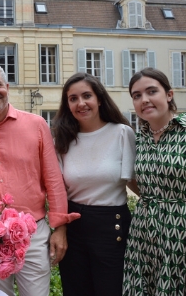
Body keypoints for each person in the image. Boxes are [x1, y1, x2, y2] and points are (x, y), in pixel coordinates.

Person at [0, 62, 80, 296]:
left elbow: (53, 179)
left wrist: (60, 228)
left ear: (7, 86)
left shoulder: (36, 125)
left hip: (33, 235)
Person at [123, 68, 186, 295]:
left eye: (152, 91)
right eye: (137, 95)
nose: (145, 100)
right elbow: (135, 181)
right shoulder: (138, 138)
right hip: (144, 236)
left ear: (169, 95)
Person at [51, 73, 136, 296]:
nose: (81, 103)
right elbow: (57, 189)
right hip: (74, 225)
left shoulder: (122, 133)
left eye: (87, 96)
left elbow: (137, 183)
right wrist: (58, 228)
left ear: (99, 98)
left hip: (112, 225)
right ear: (67, 104)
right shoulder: (62, 140)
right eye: (73, 98)